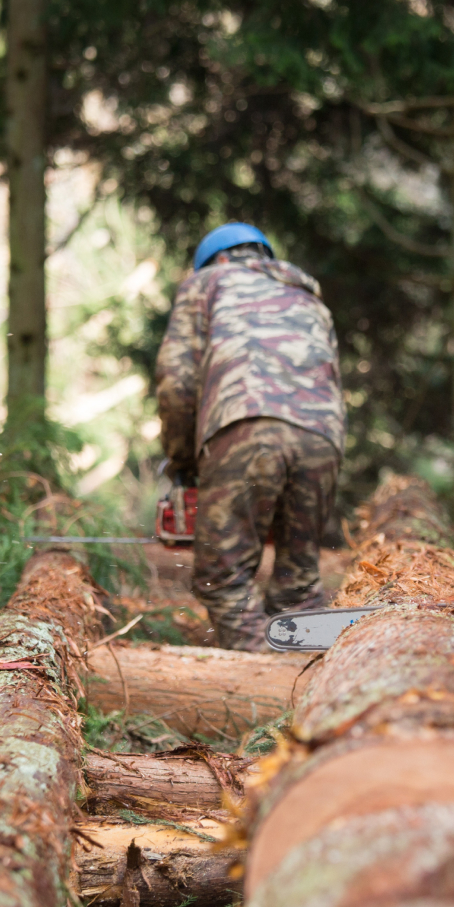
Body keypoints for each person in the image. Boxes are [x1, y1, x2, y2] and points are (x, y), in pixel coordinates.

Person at [155, 222, 345, 651]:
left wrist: (185, 462)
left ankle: (263, 685)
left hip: (245, 423)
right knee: (298, 584)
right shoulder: (307, 295)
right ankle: (313, 670)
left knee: (223, 578)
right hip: (322, 436)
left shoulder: (206, 282)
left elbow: (177, 381)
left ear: (217, 260)